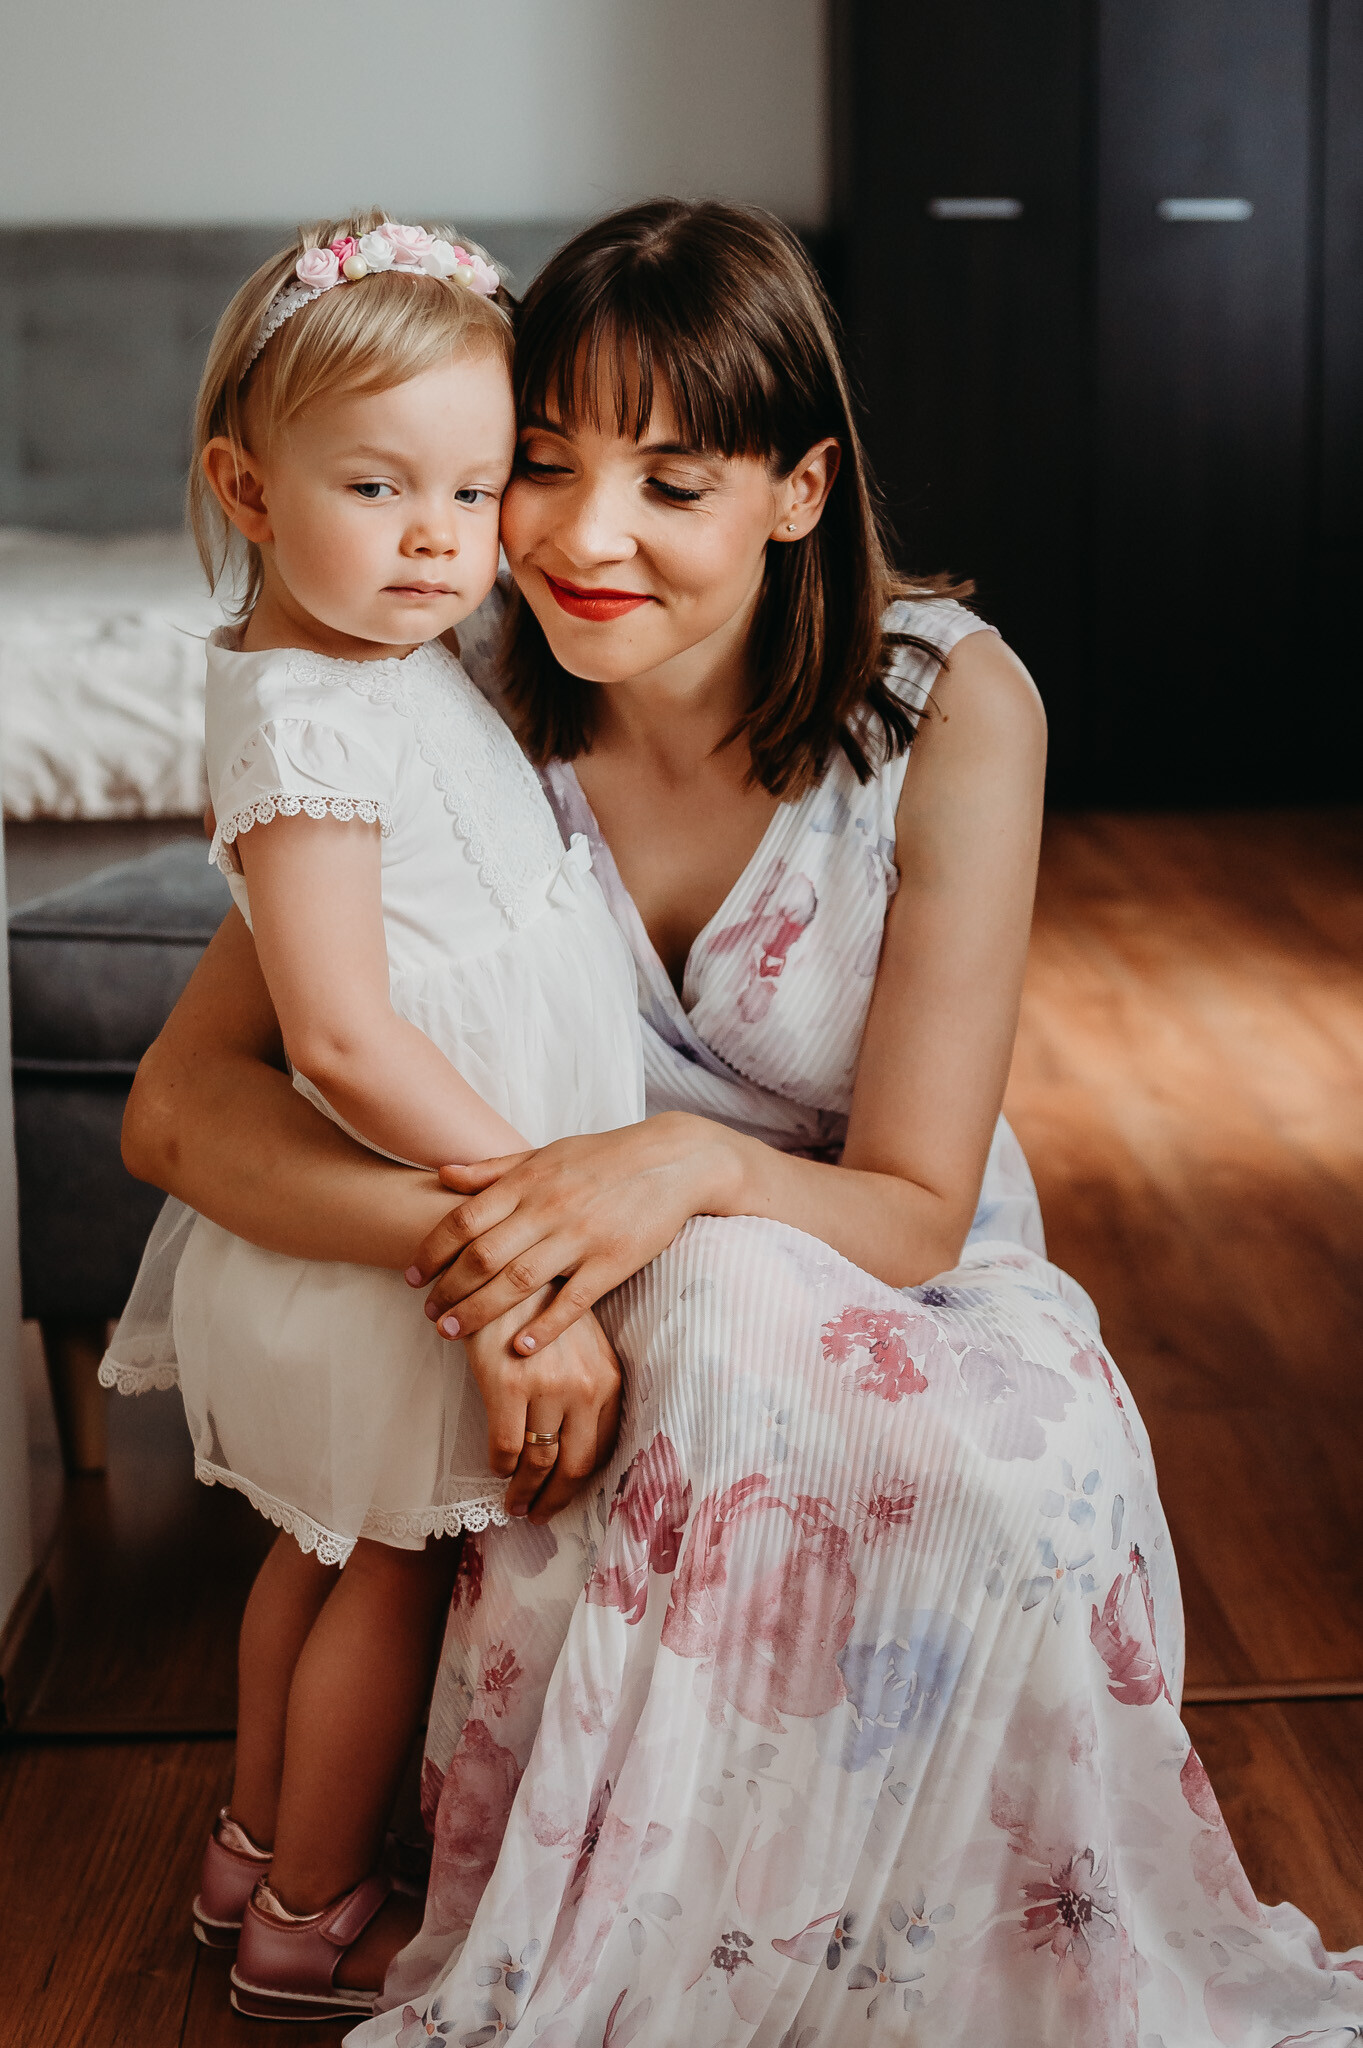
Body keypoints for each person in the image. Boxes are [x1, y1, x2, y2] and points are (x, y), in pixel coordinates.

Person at [121, 201, 1363, 2044]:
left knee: (961, 1444)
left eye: (674, 484)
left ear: (799, 490)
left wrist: (686, 1164)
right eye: (543, 465)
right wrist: (510, 1272)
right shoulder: (441, 676)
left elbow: (917, 1207)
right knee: (693, 1328)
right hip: (572, 1295)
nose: (578, 536)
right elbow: (183, 1109)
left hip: (893, 1269)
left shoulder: (947, 707)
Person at [99, 211, 643, 2023]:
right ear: (247, 490)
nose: (440, 538)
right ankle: (311, 1911)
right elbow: (333, 1033)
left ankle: (250, 1847)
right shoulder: (311, 721)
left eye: (477, 492)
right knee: (396, 1577)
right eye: (379, 486)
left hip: (377, 1230)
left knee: (316, 1553)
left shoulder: (369, 661)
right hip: (395, 1233)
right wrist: (524, 1204)